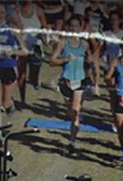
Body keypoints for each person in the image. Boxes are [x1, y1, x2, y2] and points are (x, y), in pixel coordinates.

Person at [49, 14, 91, 153]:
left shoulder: (84, 44)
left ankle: (72, 142)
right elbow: (52, 61)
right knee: (70, 112)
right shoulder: (63, 42)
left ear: (80, 28)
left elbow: (90, 59)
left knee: (75, 111)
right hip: (66, 81)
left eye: (76, 26)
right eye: (71, 26)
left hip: (80, 81)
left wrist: (90, 71)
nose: (73, 29)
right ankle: (74, 123)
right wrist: (65, 59)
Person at [0, 3, 28, 130]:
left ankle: (11, 111)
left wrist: (12, 52)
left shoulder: (12, 29)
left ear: (6, 13)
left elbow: (25, 51)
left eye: (2, 12)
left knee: (6, 102)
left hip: (8, 67)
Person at [13, 0, 48, 105]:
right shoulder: (16, 10)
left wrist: (45, 37)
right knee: (21, 74)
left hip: (36, 46)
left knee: (33, 73)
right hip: (22, 45)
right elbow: (13, 25)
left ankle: (35, 79)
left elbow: (45, 27)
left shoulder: (38, 10)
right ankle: (22, 99)